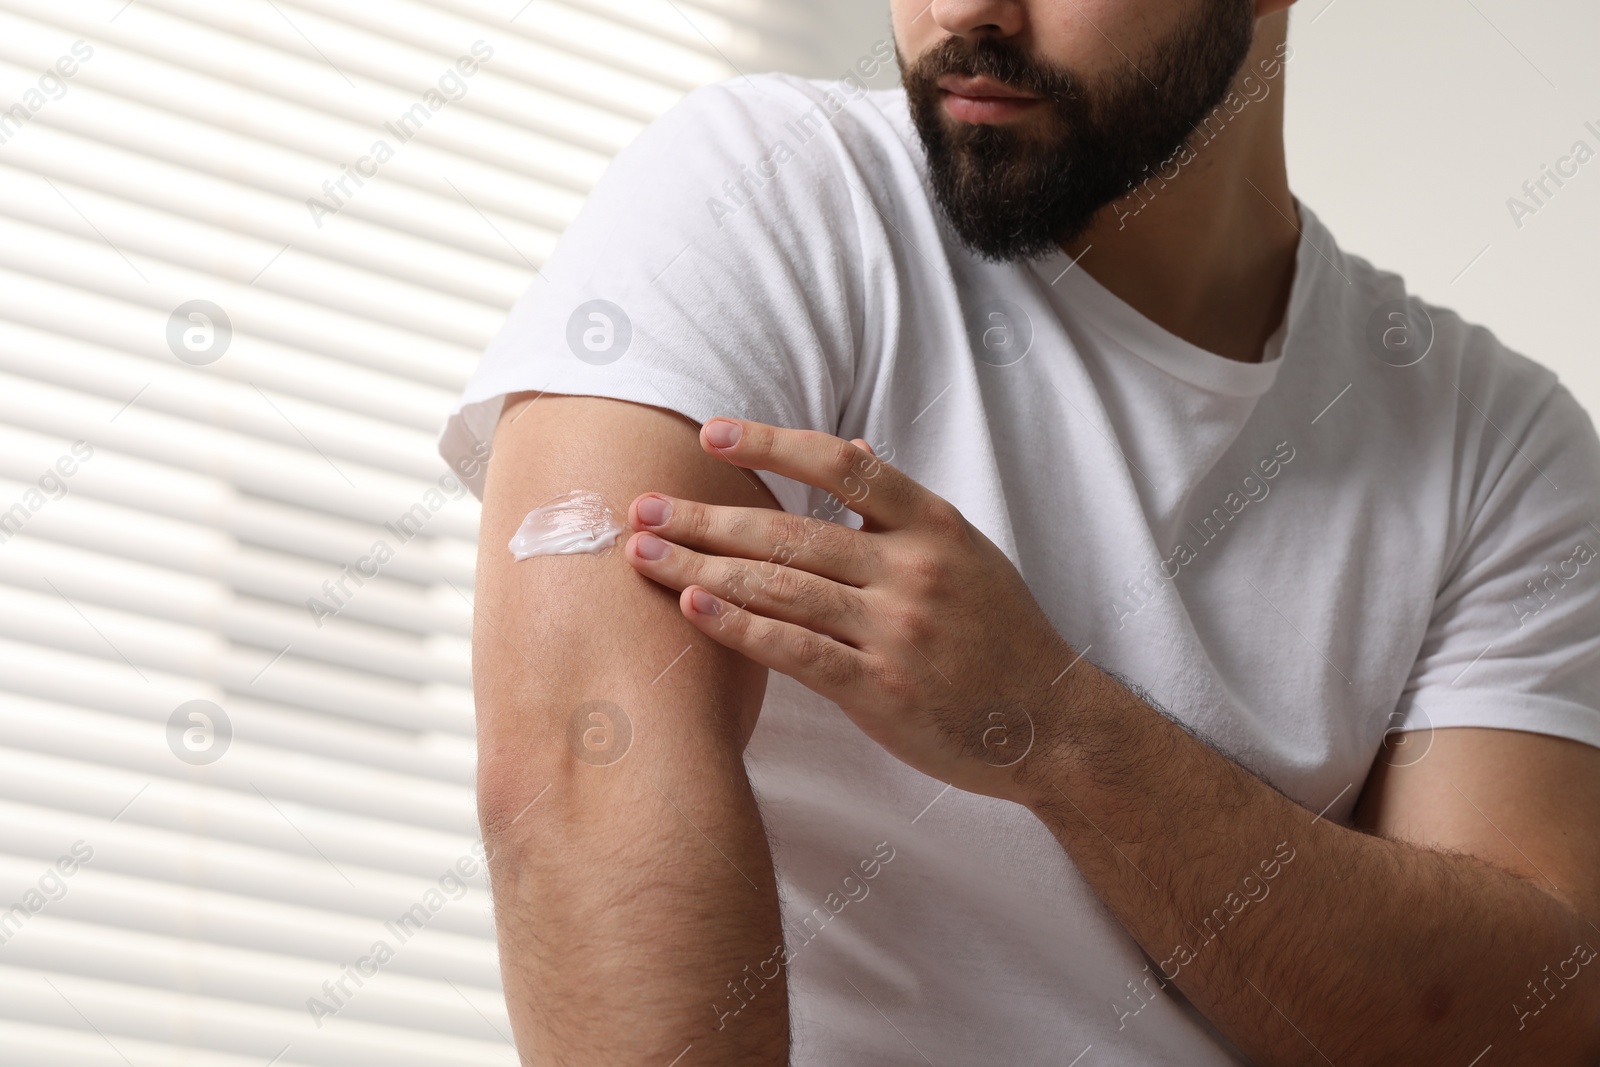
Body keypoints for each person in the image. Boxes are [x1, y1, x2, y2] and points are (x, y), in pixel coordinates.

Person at [438, 0, 1600, 1062]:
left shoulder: (1495, 440)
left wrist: (1054, 724)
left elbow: (1527, 1015)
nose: (962, 12)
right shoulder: (776, 187)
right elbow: (577, 783)